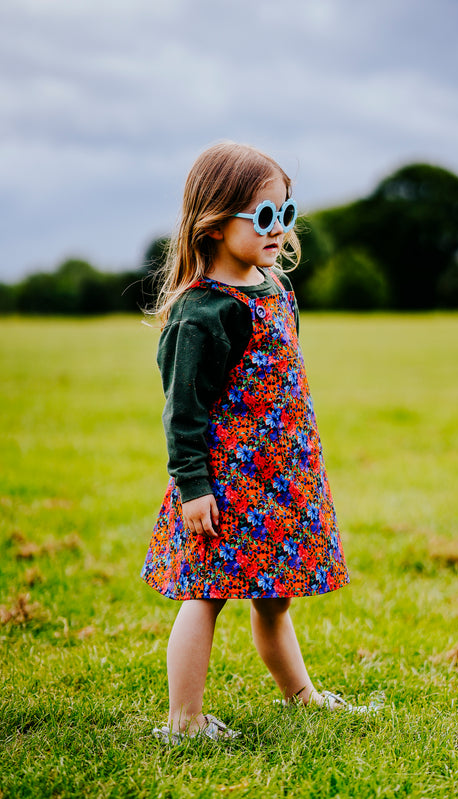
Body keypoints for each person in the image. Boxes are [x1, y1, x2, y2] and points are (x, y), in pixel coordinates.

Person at [142, 141, 381, 744]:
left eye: (287, 213)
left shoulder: (273, 286)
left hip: (276, 479)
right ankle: (184, 721)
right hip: (223, 488)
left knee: (274, 599)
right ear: (216, 225)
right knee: (206, 596)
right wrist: (192, 488)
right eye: (265, 216)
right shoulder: (202, 314)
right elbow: (184, 414)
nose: (280, 230)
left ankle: (303, 696)